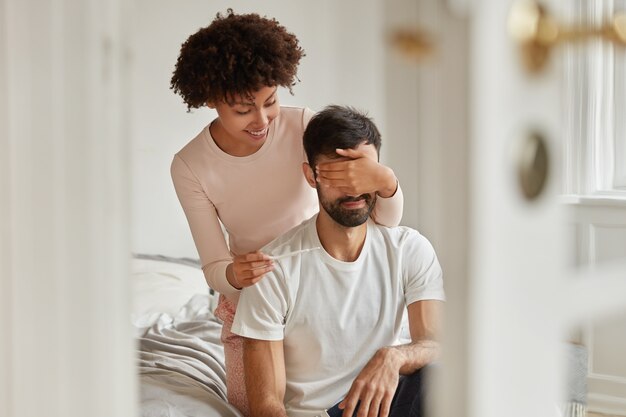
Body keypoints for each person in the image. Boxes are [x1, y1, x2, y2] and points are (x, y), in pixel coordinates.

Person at [169, 10, 404, 416]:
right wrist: (233, 276)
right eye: (244, 109)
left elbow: (384, 220)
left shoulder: (303, 127)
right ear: (210, 99)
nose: (261, 120)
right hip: (255, 296)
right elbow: (213, 267)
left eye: (271, 101)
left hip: (326, 284)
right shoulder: (190, 165)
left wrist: (385, 181)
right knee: (251, 406)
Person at [231, 105, 445, 417]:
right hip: (324, 413)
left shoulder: (409, 248)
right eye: (337, 174)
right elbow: (266, 405)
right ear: (310, 176)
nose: (353, 188)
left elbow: (434, 344)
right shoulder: (273, 268)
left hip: (388, 403)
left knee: (441, 378)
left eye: (361, 173)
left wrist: (393, 357)